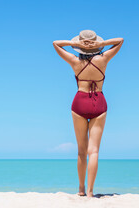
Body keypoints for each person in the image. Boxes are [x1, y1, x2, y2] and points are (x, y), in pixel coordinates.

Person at [52, 30, 124, 198]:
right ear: (94, 44)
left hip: (79, 102)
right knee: (94, 151)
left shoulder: (74, 60)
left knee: (81, 151)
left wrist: (75, 44)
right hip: (99, 102)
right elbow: (120, 40)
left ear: (81, 46)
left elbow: (55, 43)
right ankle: (91, 192)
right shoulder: (103, 59)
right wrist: (101, 45)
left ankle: (81, 189)